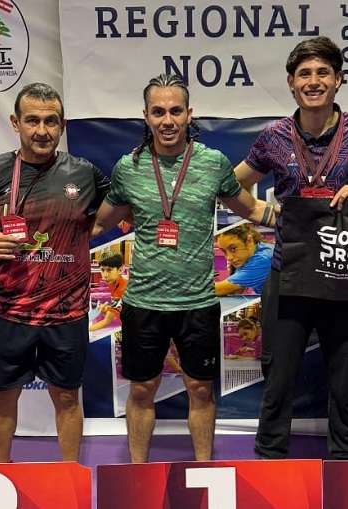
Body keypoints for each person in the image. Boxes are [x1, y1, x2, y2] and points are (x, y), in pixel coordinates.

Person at [93, 73, 277, 463]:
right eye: (158, 112)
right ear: (146, 116)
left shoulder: (212, 163)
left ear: (189, 114)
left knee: (200, 390)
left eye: (175, 111)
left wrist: (307, 217)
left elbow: (251, 208)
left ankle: (203, 470)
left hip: (197, 303)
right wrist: (47, 236)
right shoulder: (129, 167)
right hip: (144, 303)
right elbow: (97, 224)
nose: (168, 120)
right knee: (141, 390)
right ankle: (137, 472)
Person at [233, 36, 348, 459]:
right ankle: (270, 458)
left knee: (346, 375)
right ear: (291, 82)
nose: (313, 81)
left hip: (344, 271)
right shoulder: (274, 136)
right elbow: (232, 185)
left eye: (323, 72)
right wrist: (266, 214)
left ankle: (345, 459)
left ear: (338, 79)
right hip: (289, 271)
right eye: (304, 73)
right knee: (279, 373)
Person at [0, 82, 110, 463]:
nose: (42, 130)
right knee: (2, 395)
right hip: (8, 310)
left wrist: (84, 233)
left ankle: (69, 476)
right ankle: (1, 472)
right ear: (15, 122)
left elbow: (116, 214)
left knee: (67, 397)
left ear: (62, 125)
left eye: (51, 121)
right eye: (32, 120)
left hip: (66, 312)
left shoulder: (84, 173)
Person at [214, 224, 273, 296]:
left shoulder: (263, 260)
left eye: (233, 248)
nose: (229, 257)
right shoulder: (257, 249)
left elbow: (218, 290)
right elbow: (238, 290)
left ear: (249, 241)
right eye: (224, 251)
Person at [90, 252, 127, 332]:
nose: (105, 275)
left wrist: (84, 330)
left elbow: (106, 321)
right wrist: (108, 308)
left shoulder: (121, 288)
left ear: (120, 270)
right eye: (102, 270)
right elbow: (118, 308)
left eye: (109, 270)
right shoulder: (113, 283)